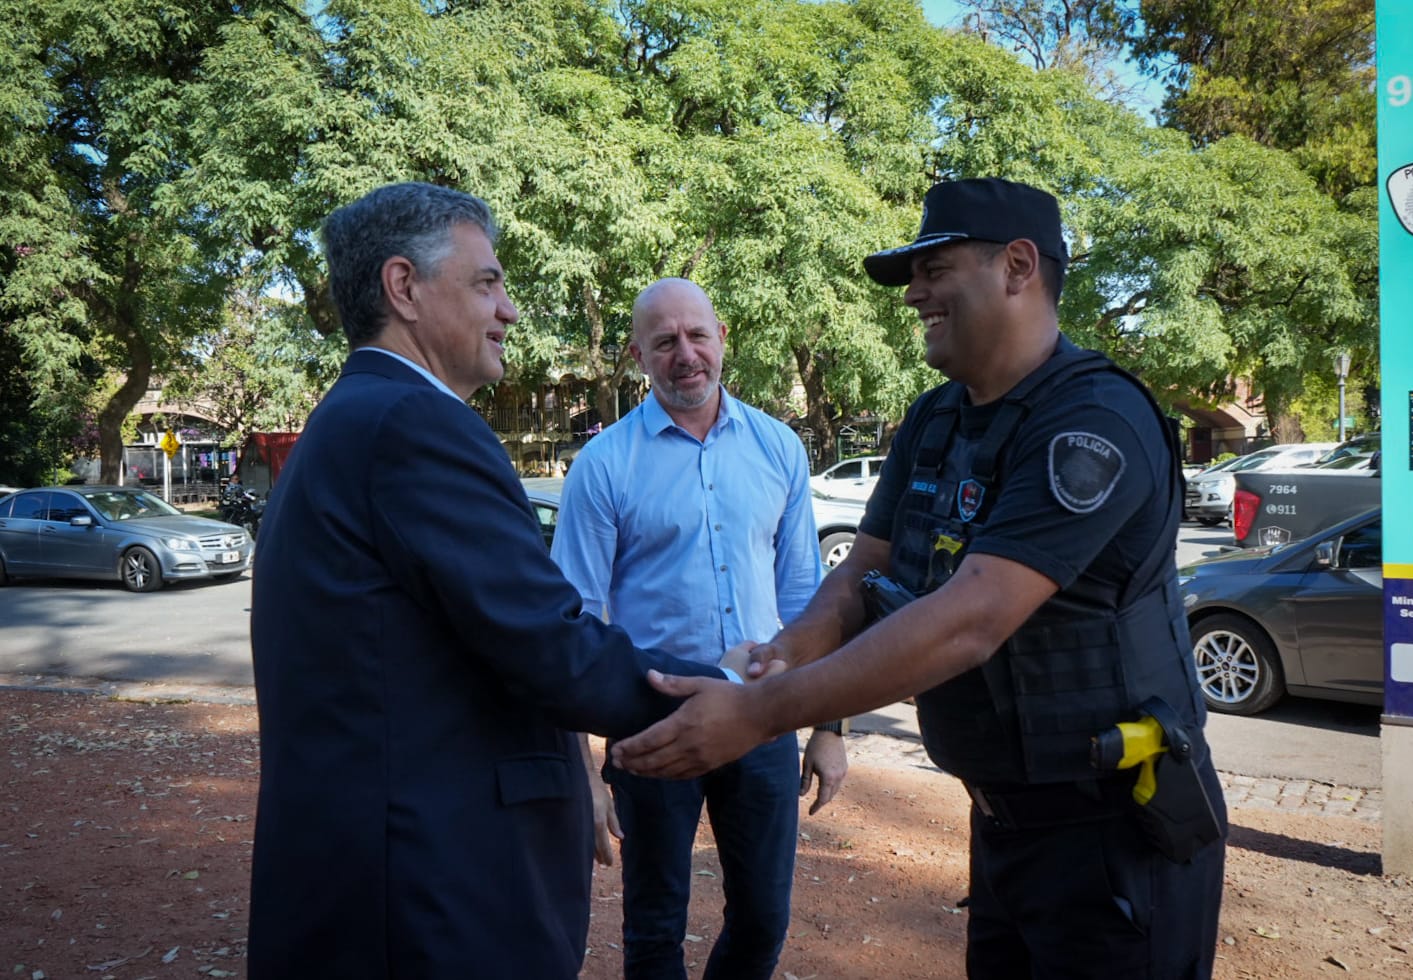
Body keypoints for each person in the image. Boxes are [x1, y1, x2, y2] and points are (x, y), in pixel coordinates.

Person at [611, 178, 1228, 978]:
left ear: (1016, 265)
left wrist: (761, 713)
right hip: (1004, 824)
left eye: (934, 269)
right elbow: (865, 573)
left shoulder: (1092, 423)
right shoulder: (937, 421)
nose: (914, 294)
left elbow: (971, 619)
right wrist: (781, 655)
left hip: (1115, 832)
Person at [248, 182, 743, 979]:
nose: (509, 309)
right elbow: (546, 640)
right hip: (425, 892)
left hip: (384, 874)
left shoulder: (359, 415)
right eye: (487, 282)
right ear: (404, 288)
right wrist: (729, 690)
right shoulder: (413, 425)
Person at [552, 277, 848, 979]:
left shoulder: (779, 448)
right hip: (652, 719)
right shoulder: (603, 466)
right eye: (664, 342)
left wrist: (830, 728)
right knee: (655, 923)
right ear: (638, 357)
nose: (685, 353)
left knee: (764, 916)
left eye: (696, 335)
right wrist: (580, 773)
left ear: (723, 341)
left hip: (762, 709)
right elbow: (570, 623)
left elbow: (810, 599)